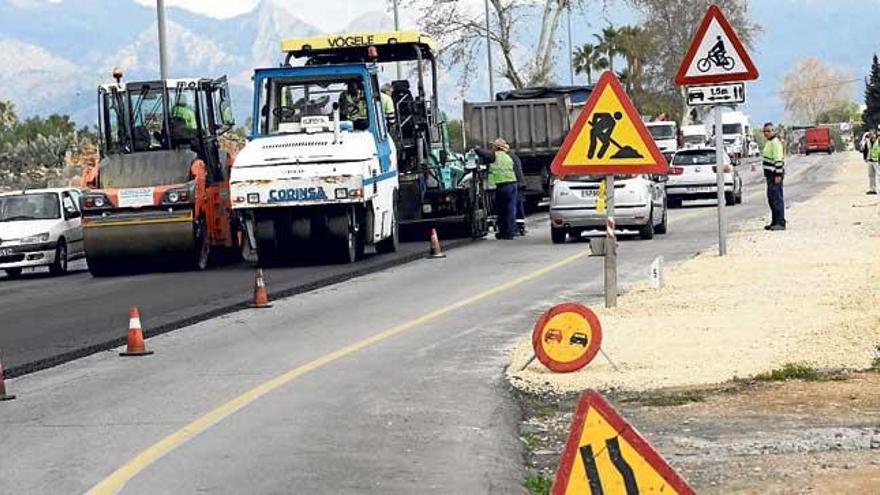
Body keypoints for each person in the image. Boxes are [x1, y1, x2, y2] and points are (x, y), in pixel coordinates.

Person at [474, 138, 518, 240]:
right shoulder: (508, 156)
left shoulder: (495, 156)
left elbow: (484, 154)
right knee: (511, 209)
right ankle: (510, 232)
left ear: (497, 147)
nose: (491, 148)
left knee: (502, 210)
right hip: (512, 184)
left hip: (503, 186)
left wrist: (476, 148)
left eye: (493, 146)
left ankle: (503, 232)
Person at [762, 123, 786, 231]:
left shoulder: (775, 143)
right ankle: (774, 221)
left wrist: (778, 174)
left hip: (774, 175)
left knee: (777, 198)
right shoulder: (769, 142)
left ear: (773, 131)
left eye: (768, 131)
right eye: (765, 131)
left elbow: (778, 159)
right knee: (771, 199)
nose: (766, 133)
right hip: (769, 175)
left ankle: (780, 222)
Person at [508, 147, 527, 236]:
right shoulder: (513, 156)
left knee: (514, 205)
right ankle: (520, 226)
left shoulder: (508, 157)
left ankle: (516, 227)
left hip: (515, 184)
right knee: (518, 205)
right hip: (518, 183)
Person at [865, 129, 878, 195]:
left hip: (877, 160)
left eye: (872, 134)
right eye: (870, 134)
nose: (871, 135)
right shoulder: (868, 141)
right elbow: (866, 149)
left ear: (875, 134)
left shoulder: (878, 141)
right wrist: (865, 158)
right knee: (871, 176)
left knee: (879, 175)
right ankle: (872, 189)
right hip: (870, 160)